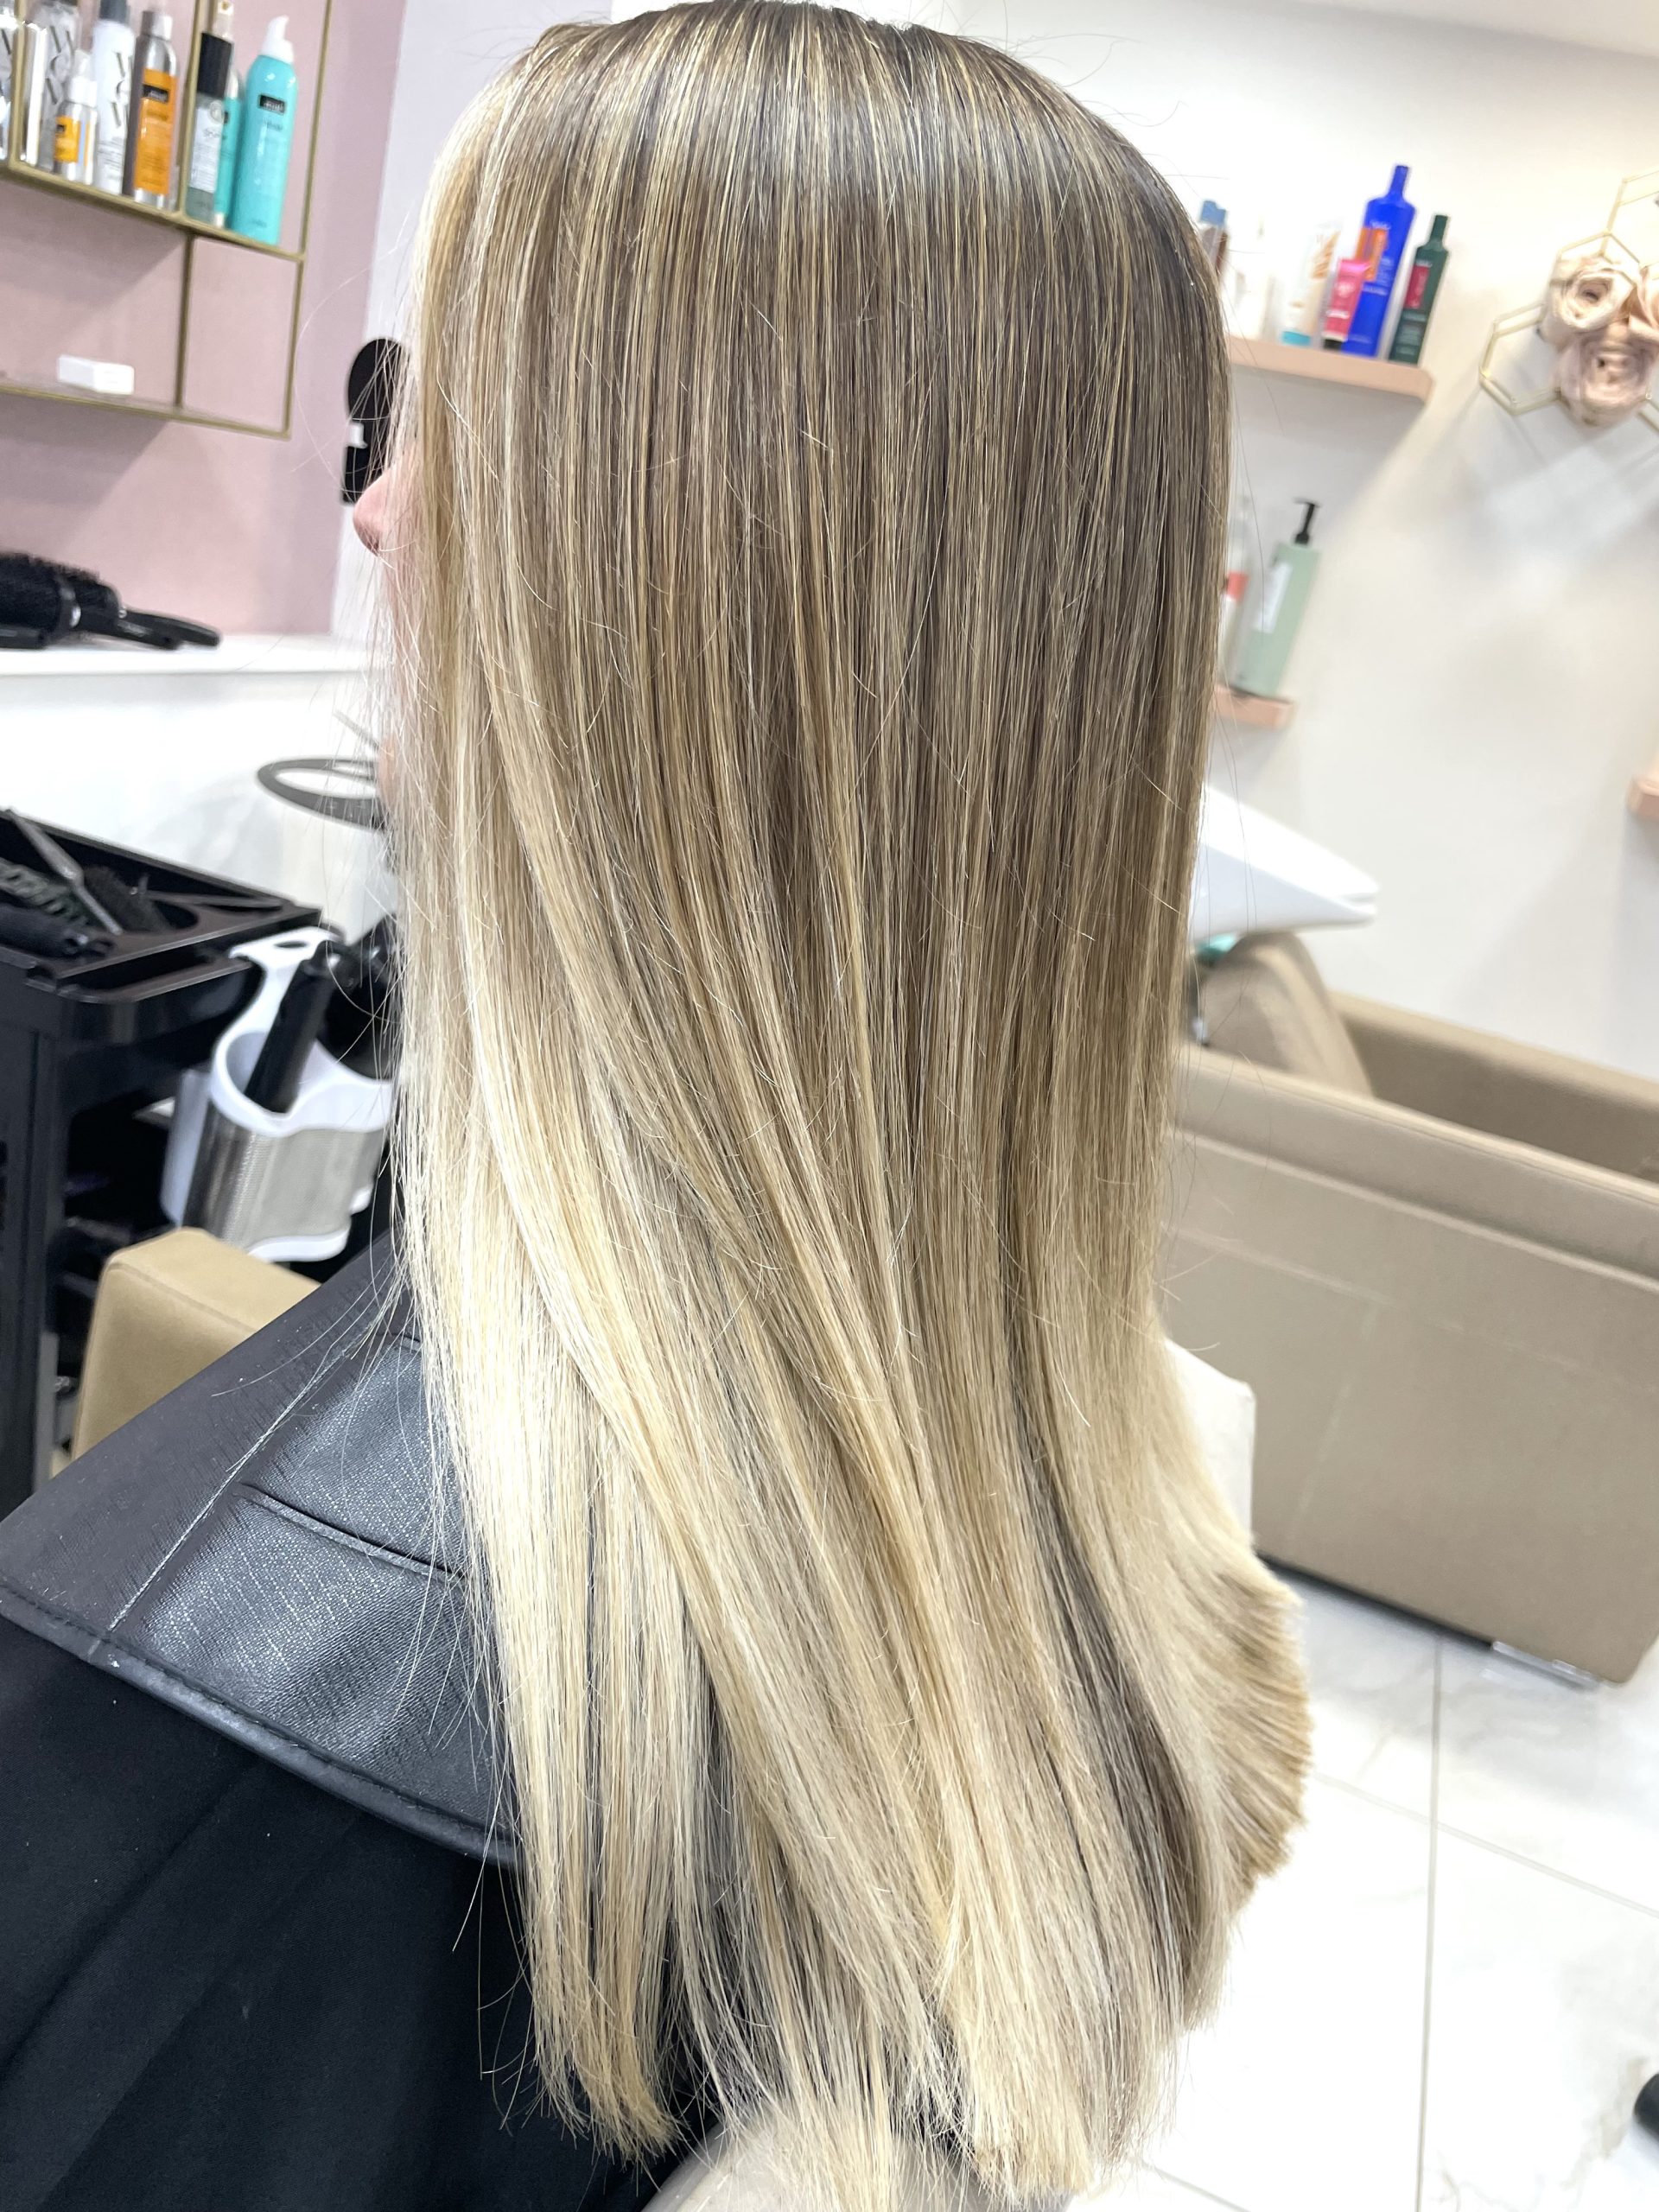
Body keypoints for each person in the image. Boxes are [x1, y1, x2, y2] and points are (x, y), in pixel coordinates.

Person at [0, 7, 1309, 2209]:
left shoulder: (205, 1749)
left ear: (678, 601)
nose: (381, 500)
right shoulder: (1087, 1517)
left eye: (447, 419)